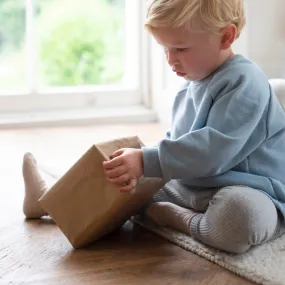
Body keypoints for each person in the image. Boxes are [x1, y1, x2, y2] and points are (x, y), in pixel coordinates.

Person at [23, 0, 285, 254]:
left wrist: (148, 160)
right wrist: (136, 166)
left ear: (226, 37)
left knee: (240, 216)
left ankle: (170, 217)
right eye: (165, 49)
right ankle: (48, 202)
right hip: (194, 187)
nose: (171, 60)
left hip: (253, 191)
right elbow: (178, 144)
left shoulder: (244, 82)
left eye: (181, 49)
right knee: (122, 176)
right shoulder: (190, 86)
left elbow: (212, 151)